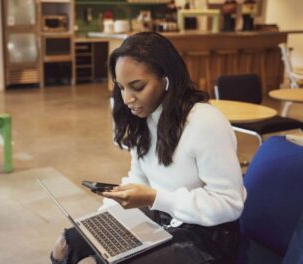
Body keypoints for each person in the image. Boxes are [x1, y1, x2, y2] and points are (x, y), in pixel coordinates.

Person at [51, 32, 246, 264]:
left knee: (116, 259)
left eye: (138, 87)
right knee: (67, 243)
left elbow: (229, 204)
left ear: (166, 79)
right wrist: (105, 215)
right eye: (121, 87)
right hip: (163, 217)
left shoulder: (205, 122)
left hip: (207, 237)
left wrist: (156, 197)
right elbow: (139, 177)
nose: (127, 99)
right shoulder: (144, 118)